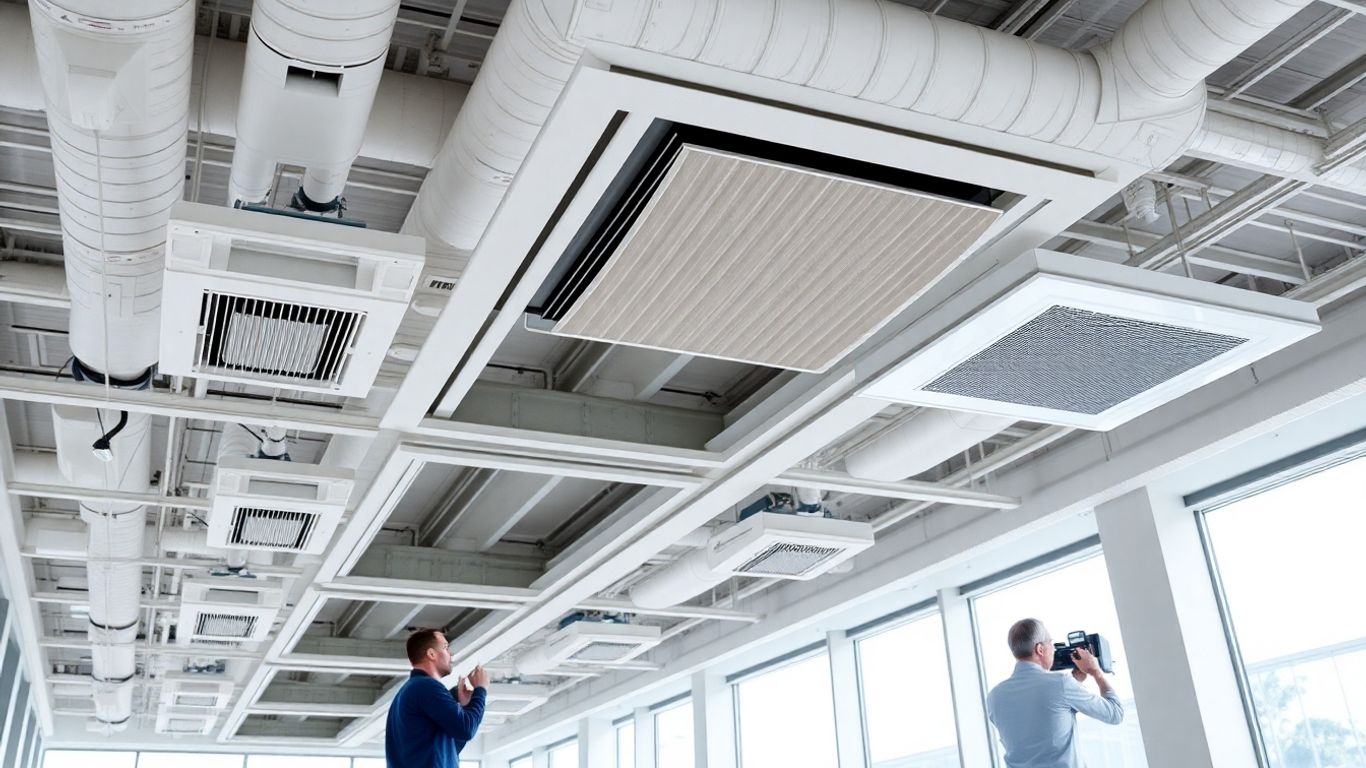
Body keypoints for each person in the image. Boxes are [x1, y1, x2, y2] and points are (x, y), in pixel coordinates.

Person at [986, 618, 1124, 768]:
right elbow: (1115, 713)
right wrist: (1096, 672)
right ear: (1040, 649)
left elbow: (1036, 726)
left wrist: (1075, 683)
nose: (1054, 649)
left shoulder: (994, 696)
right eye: (1051, 643)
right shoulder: (1061, 683)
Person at [386, 628, 489, 767]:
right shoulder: (425, 686)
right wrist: (481, 690)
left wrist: (465, 707)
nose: (451, 654)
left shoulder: (410, 691)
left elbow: (448, 751)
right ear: (431, 654)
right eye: (446, 647)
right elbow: (466, 730)